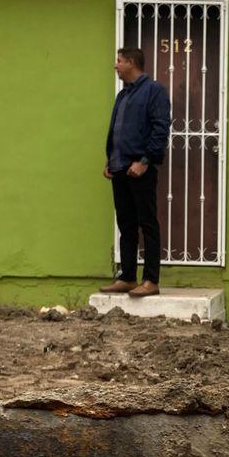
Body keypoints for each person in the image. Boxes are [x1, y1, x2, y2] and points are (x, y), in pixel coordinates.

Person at [99, 47, 171, 299]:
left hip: (140, 168)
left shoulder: (154, 91)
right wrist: (111, 160)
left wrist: (145, 161)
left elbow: (160, 129)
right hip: (119, 168)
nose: (115, 65)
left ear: (131, 63)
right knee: (126, 224)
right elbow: (118, 130)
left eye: (118, 61)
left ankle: (151, 280)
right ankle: (128, 277)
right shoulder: (123, 95)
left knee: (147, 223)